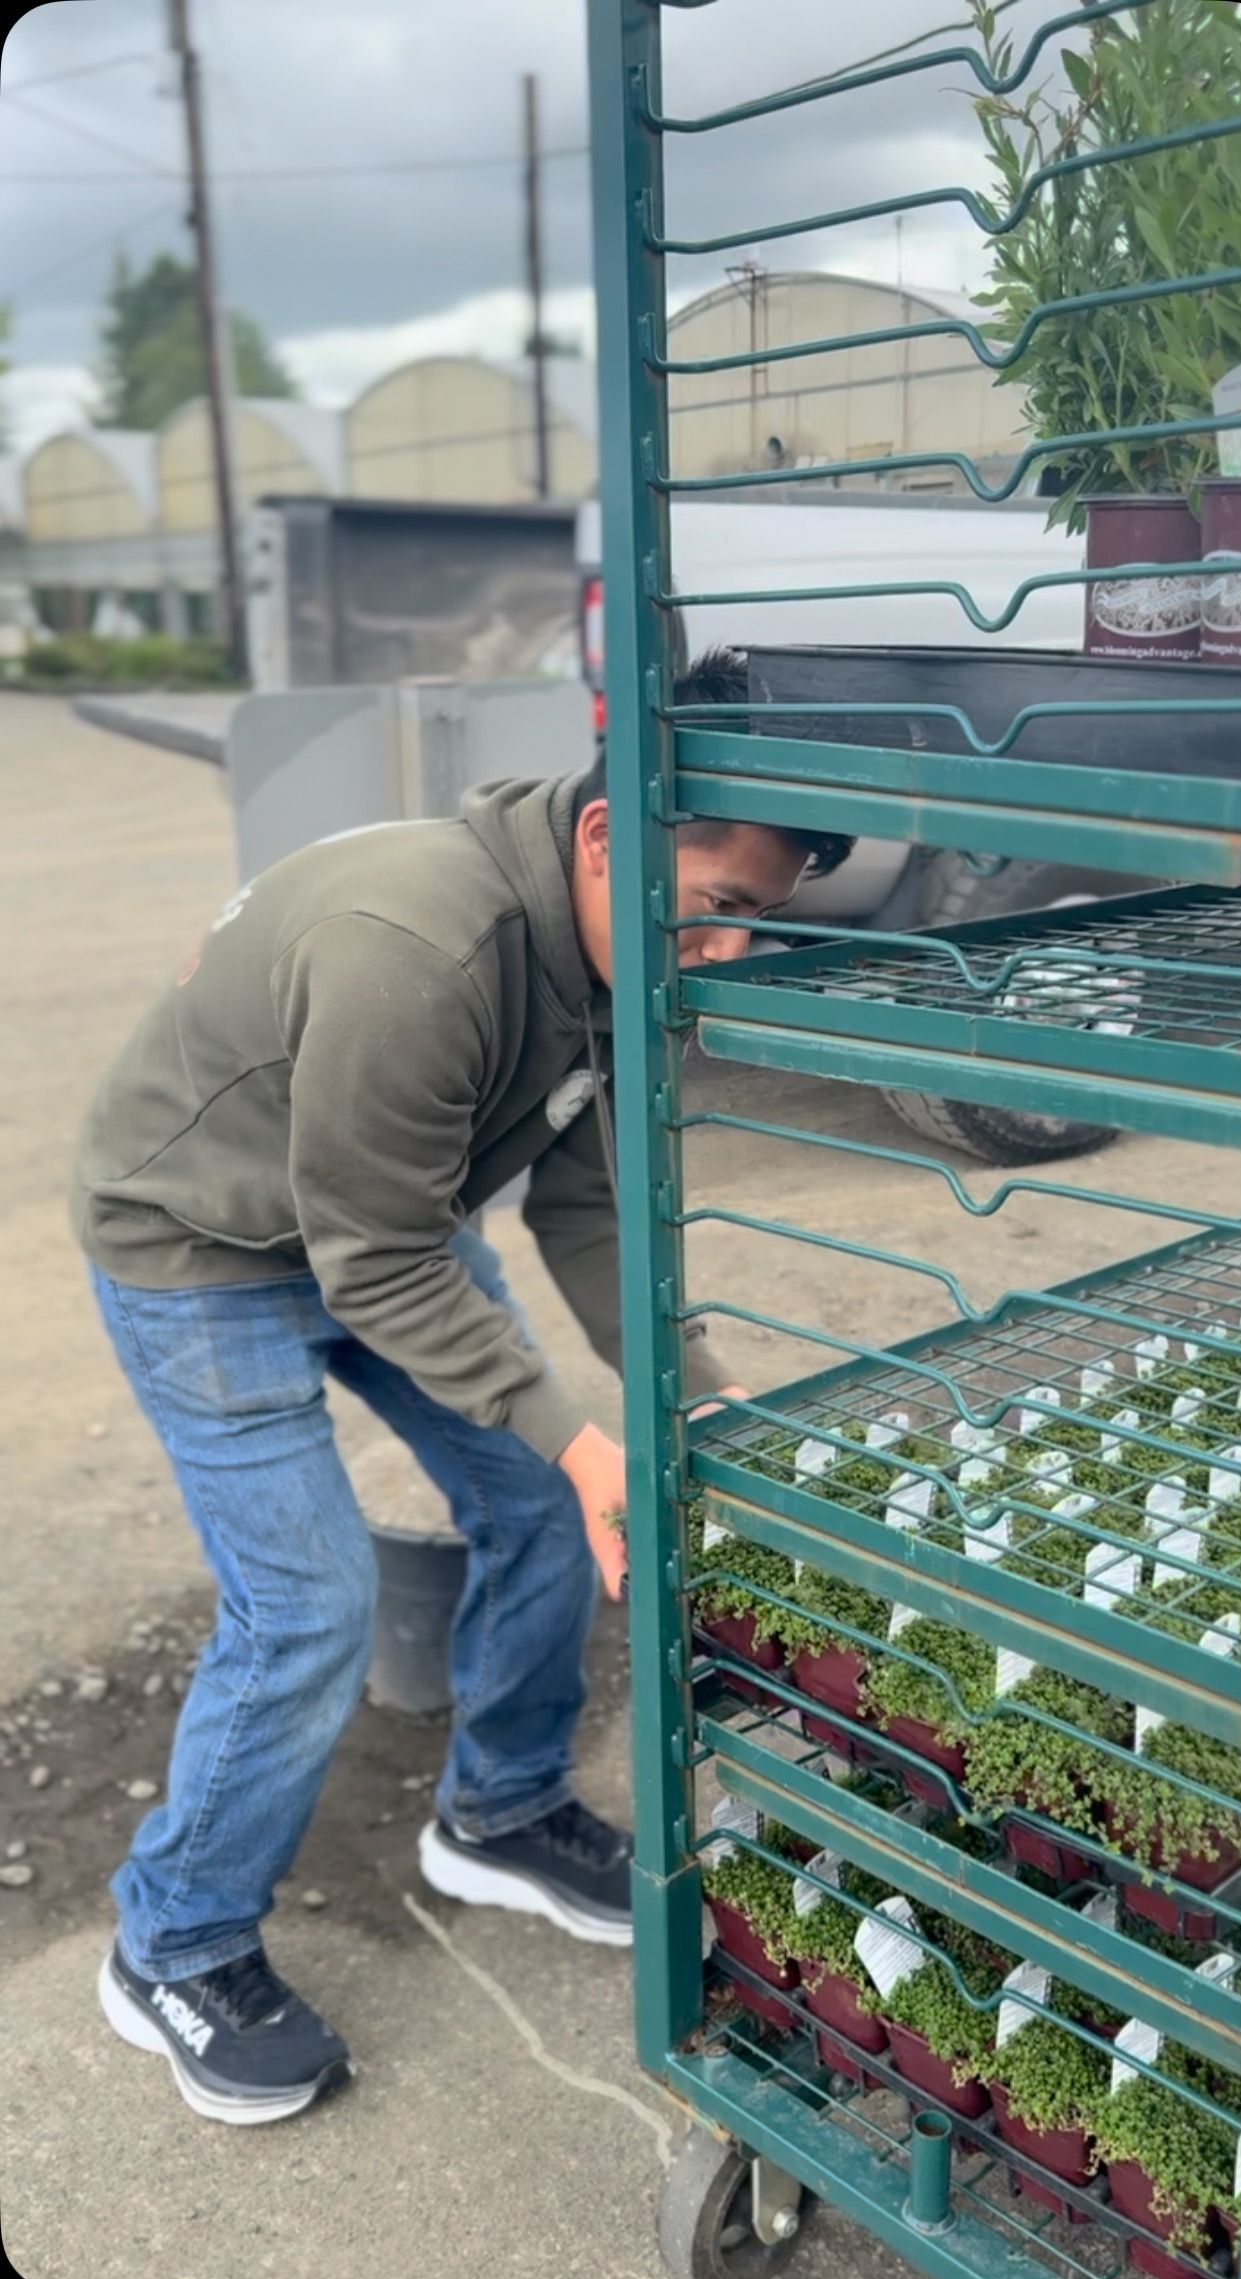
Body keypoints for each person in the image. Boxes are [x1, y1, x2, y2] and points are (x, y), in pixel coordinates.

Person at [70, 648, 853, 2124]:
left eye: (764, 920)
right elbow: (366, 1262)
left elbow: (583, 1205)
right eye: (726, 909)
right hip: (202, 1244)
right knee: (307, 1604)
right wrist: (573, 1428)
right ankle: (171, 1939)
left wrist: (684, 1398)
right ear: (612, 833)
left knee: (546, 1503)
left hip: (384, 1218)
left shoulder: (617, 940)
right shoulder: (415, 945)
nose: (728, 955)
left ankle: (499, 1808)